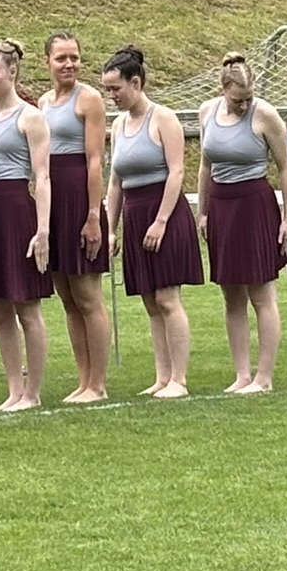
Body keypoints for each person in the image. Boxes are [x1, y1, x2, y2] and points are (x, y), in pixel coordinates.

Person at [101, 45, 202, 398]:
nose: (112, 96)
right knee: (149, 300)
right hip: (135, 214)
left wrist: (160, 221)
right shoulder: (118, 125)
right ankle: (162, 377)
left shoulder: (164, 118)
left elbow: (177, 172)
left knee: (167, 297)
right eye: (107, 90)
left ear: (136, 83)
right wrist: (110, 229)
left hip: (165, 213)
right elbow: (115, 182)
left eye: (116, 89)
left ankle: (179, 379)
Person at [197, 54, 287, 393]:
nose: (244, 105)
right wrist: (203, 211)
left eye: (248, 98)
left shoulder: (265, 114)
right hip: (221, 204)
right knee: (231, 294)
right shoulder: (207, 112)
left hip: (254, 204)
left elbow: (285, 167)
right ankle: (241, 374)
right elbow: (206, 166)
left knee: (261, 292)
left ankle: (264, 377)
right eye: (237, 99)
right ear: (223, 90)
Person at [0, 41, 52, 412]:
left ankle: (32, 392)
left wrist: (42, 230)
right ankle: (14, 390)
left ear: (12, 72)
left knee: (26, 307)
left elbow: (42, 176)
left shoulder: (30, 117)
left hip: (17, 209)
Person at [40, 32, 111, 404]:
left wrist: (93, 214)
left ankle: (98, 383)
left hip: (79, 198)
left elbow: (95, 160)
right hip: (52, 199)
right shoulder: (43, 103)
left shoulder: (89, 99)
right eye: (61, 58)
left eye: (74, 57)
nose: (69, 64)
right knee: (66, 296)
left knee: (87, 294)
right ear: (47, 62)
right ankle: (83, 379)